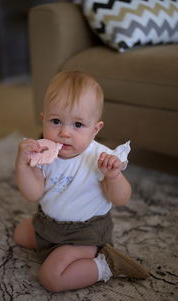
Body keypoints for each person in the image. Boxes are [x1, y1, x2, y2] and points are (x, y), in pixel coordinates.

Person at [13, 70, 148, 292]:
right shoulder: (43, 152)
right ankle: (55, 248)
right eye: (56, 121)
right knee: (20, 234)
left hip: (84, 233)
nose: (64, 132)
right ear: (43, 119)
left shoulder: (101, 158)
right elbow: (33, 194)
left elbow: (122, 198)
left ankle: (105, 264)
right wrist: (22, 164)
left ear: (95, 129)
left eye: (77, 125)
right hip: (48, 224)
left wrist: (113, 176)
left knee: (51, 278)